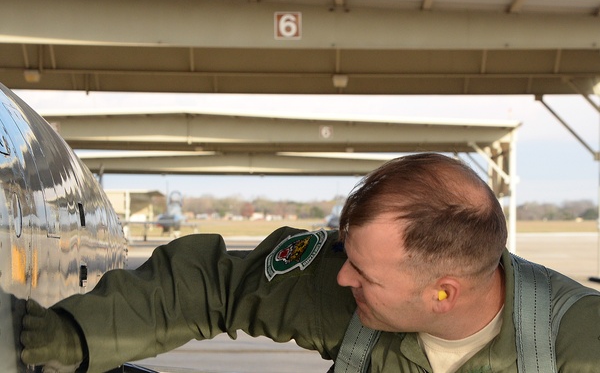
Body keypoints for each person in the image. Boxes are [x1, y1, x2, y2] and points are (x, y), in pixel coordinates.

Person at [20, 153, 600, 373]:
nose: (342, 277)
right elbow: (216, 285)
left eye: (364, 274)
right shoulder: (348, 287)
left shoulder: (578, 344)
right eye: (348, 255)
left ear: (441, 294)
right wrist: (73, 333)